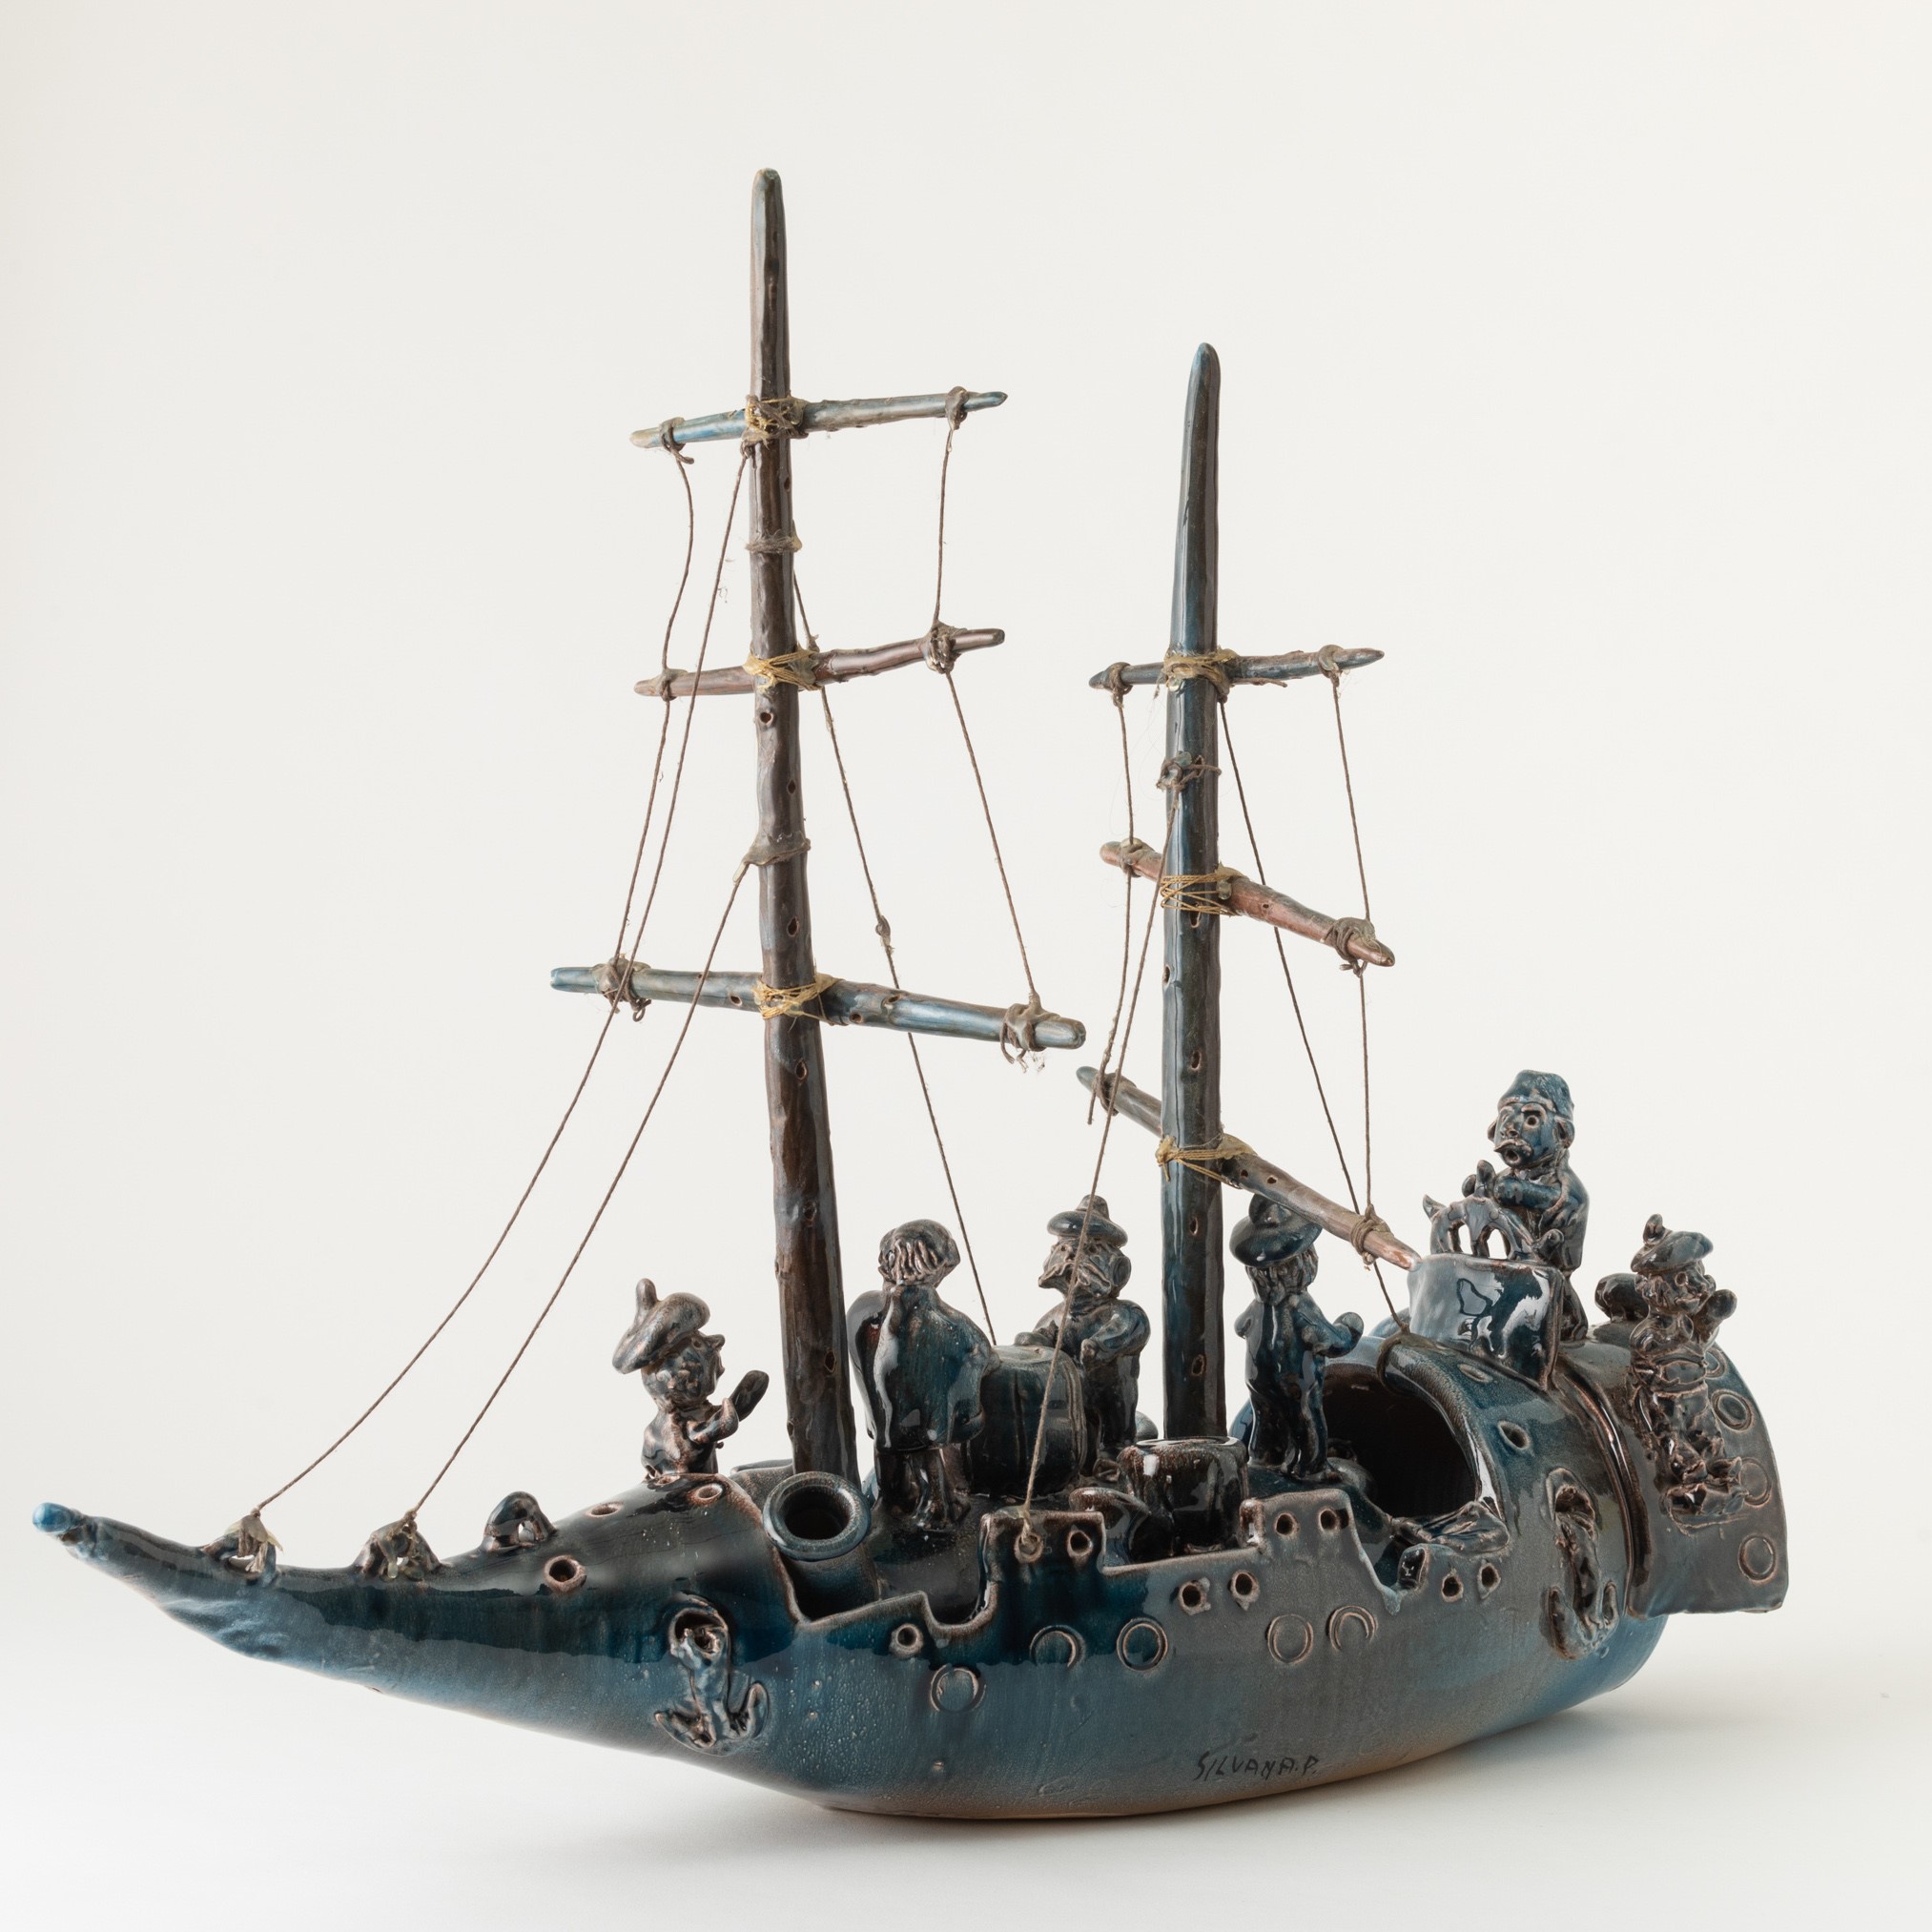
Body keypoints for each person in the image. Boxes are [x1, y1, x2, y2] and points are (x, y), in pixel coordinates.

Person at [848, 1219, 995, 1529]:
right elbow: (979, 1349)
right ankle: (929, 1504)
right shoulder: (922, 1312)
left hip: (894, 1405)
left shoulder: (886, 1308)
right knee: (923, 1451)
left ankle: (915, 1503)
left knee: (903, 1449)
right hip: (913, 1403)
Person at [1230, 1196, 1362, 1480]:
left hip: (1258, 1378)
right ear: (1303, 1262)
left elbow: (1240, 1326)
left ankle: (1263, 1456)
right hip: (1295, 1381)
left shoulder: (1259, 1306)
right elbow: (1327, 1340)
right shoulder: (1300, 1307)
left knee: (1264, 1416)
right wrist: (1350, 1328)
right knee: (1306, 1418)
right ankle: (1311, 1466)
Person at [1017, 1194, 1149, 1460]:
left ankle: (1115, 1452)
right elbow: (1043, 1337)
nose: (1071, 1259)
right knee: (1077, 1439)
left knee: (1116, 1423)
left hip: (1112, 1391)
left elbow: (1131, 1327)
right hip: (1072, 1398)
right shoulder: (1057, 1316)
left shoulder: (1121, 1311)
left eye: (1087, 1252)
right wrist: (1032, 1343)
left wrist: (1100, 1345)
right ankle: (1083, 1462)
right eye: (1064, 1250)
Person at [611, 1279, 767, 1485]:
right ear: (680, 1378)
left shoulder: (661, 1428)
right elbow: (707, 1431)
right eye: (697, 1343)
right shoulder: (669, 1430)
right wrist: (725, 1420)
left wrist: (739, 1403)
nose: (717, 1340)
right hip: (689, 1494)